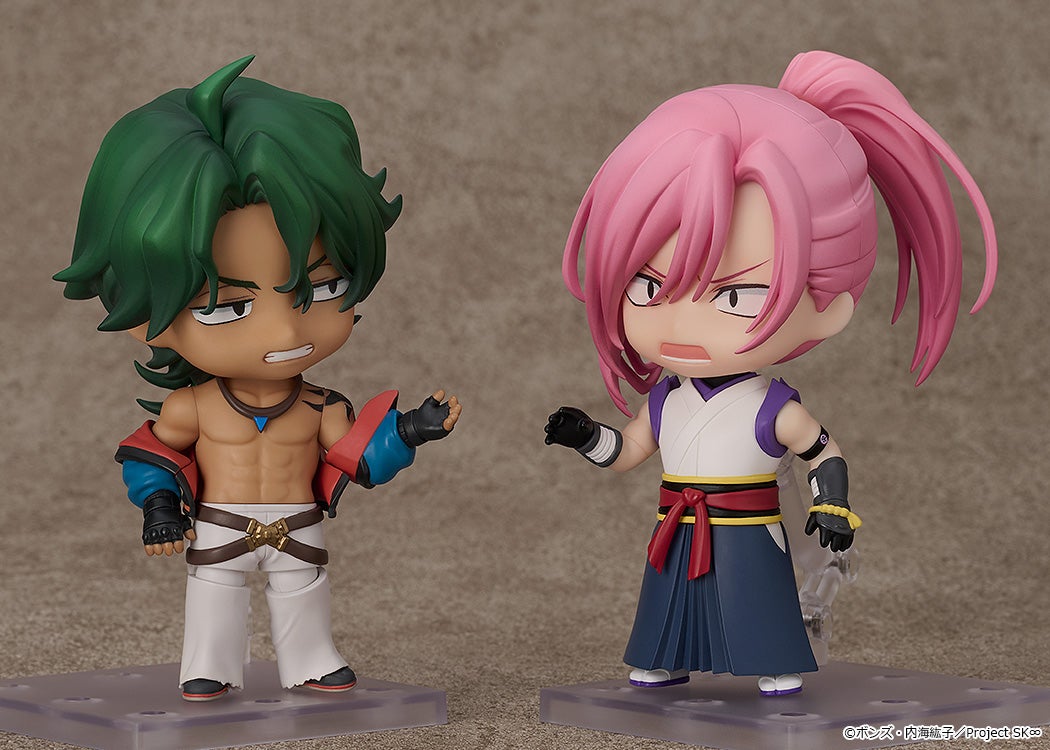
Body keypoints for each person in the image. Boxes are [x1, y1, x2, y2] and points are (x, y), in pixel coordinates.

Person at [544, 51, 995, 696]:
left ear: (829, 305)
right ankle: (667, 658)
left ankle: (776, 663)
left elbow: (820, 450)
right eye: (648, 286)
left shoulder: (770, 405)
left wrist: (832, 504)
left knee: (755, 600)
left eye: (734, 296)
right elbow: (629, 452)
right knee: (670, 605)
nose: (683, 322)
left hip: (749, 529)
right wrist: (586, 436)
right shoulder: (667, 398)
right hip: (677, 527)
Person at [55, 56, 461, 702]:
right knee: (214, 597)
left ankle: (311, 660)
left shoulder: (321, 407)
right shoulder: (195, 407)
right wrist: (158, 506)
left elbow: (360, 459)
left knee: (305, 597)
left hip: (298, 525)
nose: (284, 332)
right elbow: (150, 454)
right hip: (219, 524)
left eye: (319, 289)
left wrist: (409, 430)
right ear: (146, 320)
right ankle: (210, 667)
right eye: (227, 307)